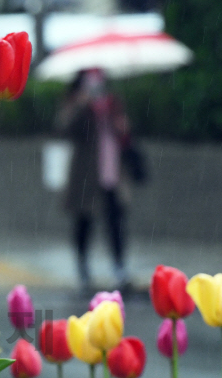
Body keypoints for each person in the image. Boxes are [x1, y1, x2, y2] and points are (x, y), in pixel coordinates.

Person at [57, 68, 131, 291]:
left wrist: (119, 123)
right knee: (83, 223)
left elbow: (126, 133)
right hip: (86, 177)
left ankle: (119, 268)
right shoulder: (77, 104)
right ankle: (83, 269)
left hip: (113, 174)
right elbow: (63, 128)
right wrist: (82, 104)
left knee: (116, 222)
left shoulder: (113, 105)